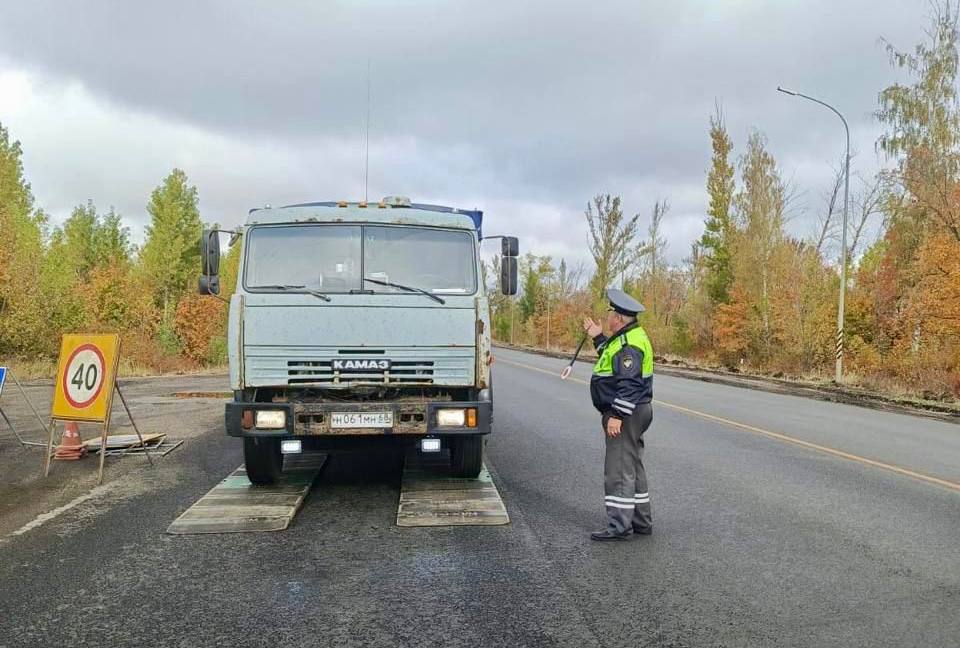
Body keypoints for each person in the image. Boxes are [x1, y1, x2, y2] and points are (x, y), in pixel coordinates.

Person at [583, 288, 655, 541]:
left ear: (621, 319)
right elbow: (611, 359)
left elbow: (631, 383)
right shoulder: (627, 337)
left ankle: (619, 526)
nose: (609, 316)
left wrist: (616, 415)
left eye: (612, 313)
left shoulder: (629, 344)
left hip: (628, 413)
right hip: (637, 411)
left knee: (619, 469)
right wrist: (598, 337)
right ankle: (640, 521)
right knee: (632, 464)